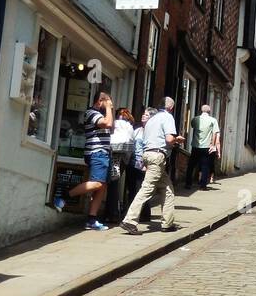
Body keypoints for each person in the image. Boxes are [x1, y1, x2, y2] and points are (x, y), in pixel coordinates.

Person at [120, 97, 180, 234]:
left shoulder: (152, 119)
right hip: (157, 157)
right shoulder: (168, 117)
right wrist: (178, 139)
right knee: (146, 189)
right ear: (171, 108)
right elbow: (169, 139)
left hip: (148, 155)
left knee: (168, 189)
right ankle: (129, 220)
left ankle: (168, 223)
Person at [57, 90, 114, 231]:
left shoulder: (101, 114)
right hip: (97, 153)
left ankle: (91, 220)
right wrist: (108, 108)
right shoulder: (91, 113)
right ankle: (63, 196)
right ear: (99, 101)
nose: (110, 104)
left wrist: (108, 110)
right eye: (107, 101)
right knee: (97, 183)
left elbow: (111, 126)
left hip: (104, 153)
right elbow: (107, 124)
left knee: (102, 186)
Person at [186, 104, 220, 192]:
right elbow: (214, 133)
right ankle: (203, 185)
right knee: (205, 166)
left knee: (191, 165)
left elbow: (192, 126)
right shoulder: (213, 120)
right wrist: (212, 145)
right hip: (206, 146)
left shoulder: (195, 119)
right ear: (209, 111)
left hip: (196, 145)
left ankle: (188, 183)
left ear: (201, 110)